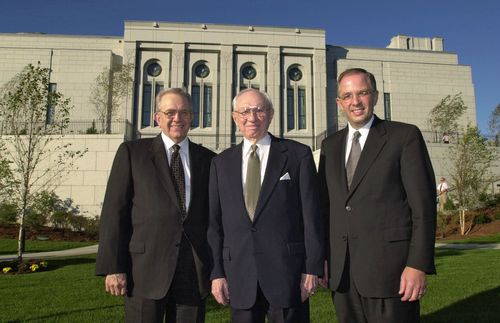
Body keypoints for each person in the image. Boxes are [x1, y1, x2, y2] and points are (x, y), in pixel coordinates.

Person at [318, 68, 437, 323]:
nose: (355, 101)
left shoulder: (404, 137)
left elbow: (423, 208)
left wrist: (417, 264)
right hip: (343, 274)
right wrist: (324, 259)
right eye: (347, 96)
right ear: (339, 103)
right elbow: (326, 208)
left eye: (362, 93)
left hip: (391, 272)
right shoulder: (330, 146)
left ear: (375, 96)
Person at [95, 88, 216, 323]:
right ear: (157, 117)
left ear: (192, 117)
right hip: (144, 270)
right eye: (170, 112)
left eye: (184, 112)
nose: (177, 118)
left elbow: (214, 217)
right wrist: (113, 267)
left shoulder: (209, 160)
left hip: (192, 271)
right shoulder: (132, 153)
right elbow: (113, 212)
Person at [208, 88, 324, 323]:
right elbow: (214, 223)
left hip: (288, 273)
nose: (252, 117)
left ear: (270, 114)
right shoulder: (220, 163)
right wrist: (217, 273)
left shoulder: (297, 155)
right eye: (245, 111)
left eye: (259, 110)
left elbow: (312, 216)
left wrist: (312, 268)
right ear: (234, 117)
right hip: (239, 274)